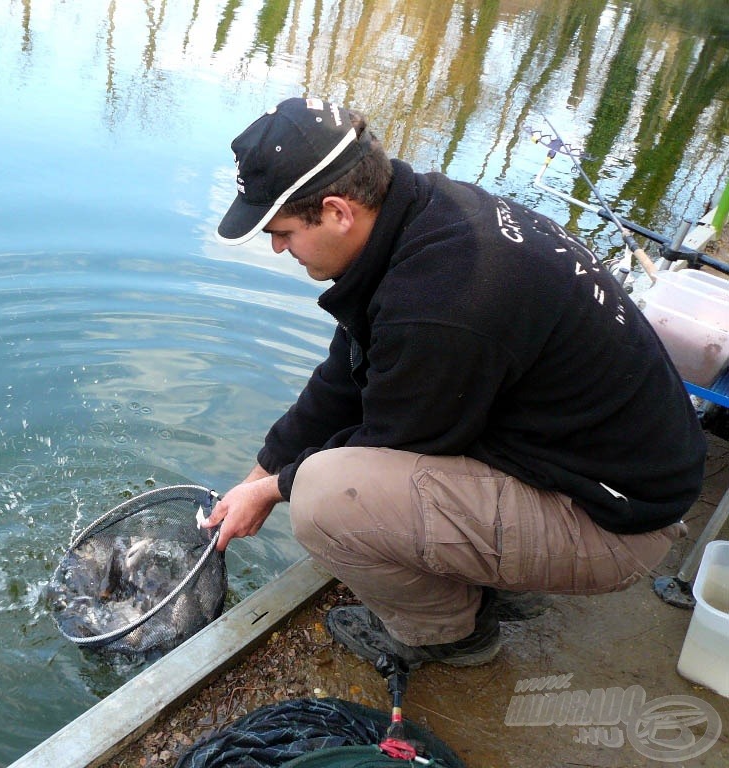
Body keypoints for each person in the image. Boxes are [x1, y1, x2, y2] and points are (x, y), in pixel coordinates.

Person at [202, 96, 707, 669]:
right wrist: (258, 473)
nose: (276, 247)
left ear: (339, 211)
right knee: (319, 470)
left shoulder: (441, 298)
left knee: (325, 499)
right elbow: (343, 377)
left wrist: (275, 490)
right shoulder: (419, 214)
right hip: (604, 464)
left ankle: (449, 634)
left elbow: (388, 444)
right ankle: (492, 577)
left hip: (618, 524)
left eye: (282, 230)